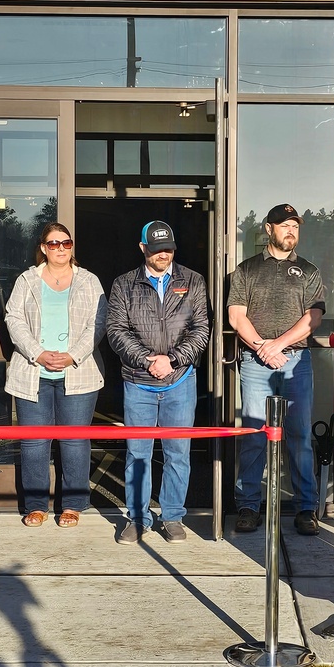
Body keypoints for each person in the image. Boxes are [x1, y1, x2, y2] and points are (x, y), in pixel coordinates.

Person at [106, 220, 210, 543]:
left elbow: (201, 329)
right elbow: (116, 331)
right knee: (138, 453)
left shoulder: (192, 280)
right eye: (156, 250)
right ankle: (138, 518)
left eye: (168, 249)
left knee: (178, 452)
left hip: (180, 381)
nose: (163, 255)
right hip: (138, 382)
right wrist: (147, 360)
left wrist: (173, 359)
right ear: (143, 249)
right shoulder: (124, 285)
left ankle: (173, 516)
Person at [228, 203, 325, 536]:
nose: (291, 231)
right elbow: (236, 317)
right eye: (284, 225)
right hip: (256, 363)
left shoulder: (309, 271)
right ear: (268, 229)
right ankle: (248, 506)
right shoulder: (247, 270)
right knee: (256, 435)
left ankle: (306, 509)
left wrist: (277, 344)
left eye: (295, 226)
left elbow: (313, 319)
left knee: (298, 436)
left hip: (296, 362)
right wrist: (261, 348)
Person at [4, 222, 106, 527]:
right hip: (33, 371)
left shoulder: (89, 281)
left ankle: (73, 504)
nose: (60, 248)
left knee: (74, 442)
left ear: (72, 246)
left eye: (66, 243)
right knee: (34, 443)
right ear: (43, 247)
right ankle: (36, 505)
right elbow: (13, 318)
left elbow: (99, 322)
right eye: (53, 243)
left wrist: (73, 355)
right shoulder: (27, 280)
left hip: (79, 372)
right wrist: (37, 352)